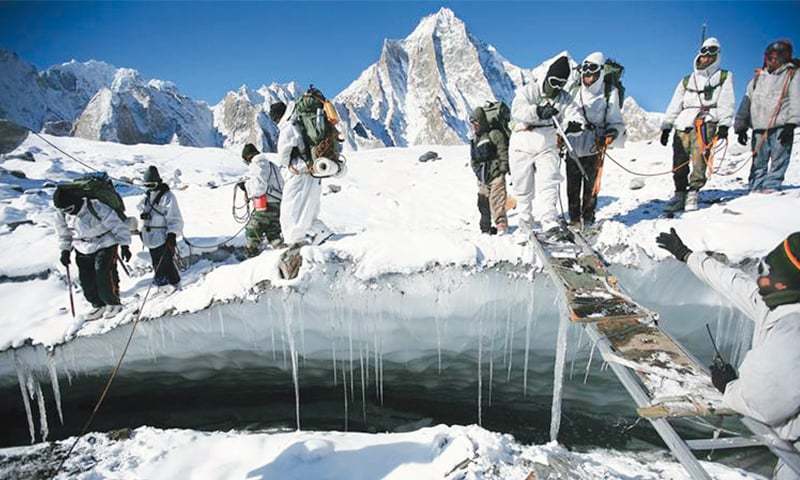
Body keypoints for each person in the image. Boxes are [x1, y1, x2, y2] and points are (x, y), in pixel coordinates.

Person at [657, 229, 800, 479]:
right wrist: (687, 255)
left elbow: (763, 402)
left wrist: (729, 387)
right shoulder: (778, 301)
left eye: (772, 274)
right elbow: (733, 283)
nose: (763, 280)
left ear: (787, 281)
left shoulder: (793, 327)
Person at [660, 37, 735, 212]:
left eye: (712, 53)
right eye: (704, 52)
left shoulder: (724, 76)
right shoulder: (687, 80)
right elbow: (675, 103)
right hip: (683, 123)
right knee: (679, 160)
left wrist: (724, 125)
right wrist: (666, 126)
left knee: (699, 159)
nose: (707, 57)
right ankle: (679, 193)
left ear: (717, 56)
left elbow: (727, 100)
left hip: (705, 122)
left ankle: (693, 192)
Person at [509, 55, 573, 238]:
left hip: (547, 143)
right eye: (554, 81)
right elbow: (517, 110)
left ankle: (549, 219)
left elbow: (573, 114)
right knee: (522, 183)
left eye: (561, 83)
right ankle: (525, 218)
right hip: (522, 141)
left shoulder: (564, 98)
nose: (557, 87)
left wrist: (573, 125)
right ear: (547, 77)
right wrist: (537, 111)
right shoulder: (529, 91)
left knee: (549, 180)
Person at [563, 52, 625, 227]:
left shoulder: (609, 92)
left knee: (591, 186)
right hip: (573, 144)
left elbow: (615, 119)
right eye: (585, 72)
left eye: (592, 72)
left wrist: (611, 133)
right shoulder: (574, 91)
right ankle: (574, 220)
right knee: (572, 186)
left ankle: (588, 219)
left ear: (600, 72)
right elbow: (564, 114)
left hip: (594, 145)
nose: (588, 76)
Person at [54, 188, 132, 320]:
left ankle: (113, 303)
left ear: (76, 201)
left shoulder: (96, 206)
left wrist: (125, 245)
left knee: (103, 273)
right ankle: (98, 305)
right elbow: (64, 234)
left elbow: (117, 225)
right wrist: (65, 251)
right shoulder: (62, 214)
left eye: (69, 208)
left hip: (105, 242)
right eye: (64, 210)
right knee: (86, 279)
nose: (68, 212)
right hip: (81, 246)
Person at [735, 39, 799, 193]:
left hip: (781, 126)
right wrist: (741, 127)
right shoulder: (757, 79)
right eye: (770, 57)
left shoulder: (791, 75)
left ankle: (771, 187)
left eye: (778, 58)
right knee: (758, 161)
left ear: (785, 59)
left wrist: (792, 123)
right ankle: (755, 188)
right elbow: (746, 102)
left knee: (779, 159)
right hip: (759, 128)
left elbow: (796, 99)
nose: (773, 61)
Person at [275, 94, 332, 248]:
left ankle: (294, 242)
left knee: (290, 209)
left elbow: (283, 154)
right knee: (309, 206)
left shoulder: (288, 127)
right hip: (313, 167)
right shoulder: (298, 121)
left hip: (299, 170)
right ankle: (321, 232)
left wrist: (288, 165)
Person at [137, 166, 183, 291]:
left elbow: (175, 217)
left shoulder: (167, 197)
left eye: (151, 185)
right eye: (147, 185)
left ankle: (168, 285)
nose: (149, 188)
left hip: (163, 236)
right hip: (149, 237)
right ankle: (170, 285)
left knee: (164, 263)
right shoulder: (146, 197)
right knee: (157, 262)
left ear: (158, 182)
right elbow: (140, 209)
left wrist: (172, 234)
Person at [238, 143, 284, 256]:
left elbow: (259, 188)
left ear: (248, 157)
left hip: (266, 205)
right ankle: (281, 254)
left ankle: (251, 257)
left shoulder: (258, 164)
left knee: (252, 230)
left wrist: (246, 186)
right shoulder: (271, 165)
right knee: (273, 233)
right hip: (277, 204)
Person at [469, 105, 509, 235]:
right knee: (482, 202)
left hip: (496, 174)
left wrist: (503, 168)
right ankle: (485, 228)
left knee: (497, 201)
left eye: (476, 123)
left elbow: (503, 151)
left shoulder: (495, 134)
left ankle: (501, 226)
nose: (474, 126)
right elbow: (473, 159)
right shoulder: (475, 139)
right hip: (482, 177)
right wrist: (477, 171)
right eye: (472, 123)